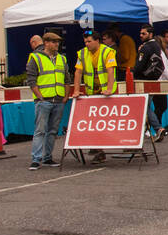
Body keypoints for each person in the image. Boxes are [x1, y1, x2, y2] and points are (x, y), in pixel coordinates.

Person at [26, 31, 68, 170]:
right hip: (44, 100)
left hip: (58, 99)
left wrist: (65, 96)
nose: (57, 45)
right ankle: (36, 159)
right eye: (54, 42)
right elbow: (31, 80)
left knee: (52, 131)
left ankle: (47, 158)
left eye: (58, 42)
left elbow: (67, 78)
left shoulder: (62, 59)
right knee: (40, 130)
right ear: (46, 43)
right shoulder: (36, 58)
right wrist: (40, 97)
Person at [73, 31, 117, 164]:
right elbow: (78, 72)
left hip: (106, 93)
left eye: (89, 41)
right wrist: (76, 90)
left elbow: (110, 71)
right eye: (85, 42)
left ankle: (128, 145)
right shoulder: (82, 53)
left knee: (108, 121)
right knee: (95, 122)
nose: (87, 44)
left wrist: (109, 89)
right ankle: (98, 150)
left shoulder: (107, 52)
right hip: (92, 92)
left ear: (97, 41)